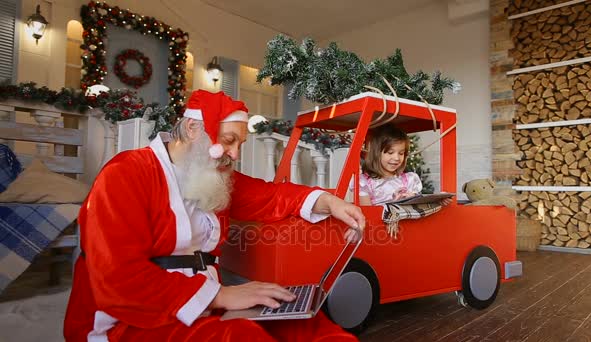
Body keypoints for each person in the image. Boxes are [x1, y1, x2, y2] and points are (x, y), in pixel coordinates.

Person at [64, 90, 365, 342]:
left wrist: (329, 202)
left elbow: (270, 196)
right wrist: (220, 296)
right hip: (134, 318)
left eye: (240, 145)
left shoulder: (214, 176)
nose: (235, 154)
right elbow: (119, 279)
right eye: (230, 140)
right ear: (194, 129)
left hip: (209, 299)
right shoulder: (125, 173)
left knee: (304, 321)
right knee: (241, 336)